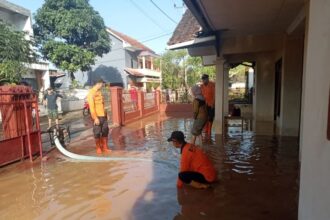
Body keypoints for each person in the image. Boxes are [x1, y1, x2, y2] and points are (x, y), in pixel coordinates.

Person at [87, 79, 111, 154]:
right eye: (102, 84)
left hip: (103, 115)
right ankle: (98, 148)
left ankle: (105, 147)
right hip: (97, 116)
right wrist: (95, 118)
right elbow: (91, 107)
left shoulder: (100, 92)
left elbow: (103, 104)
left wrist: (106, 114)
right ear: (98, 84)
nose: (102, 85)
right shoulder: (91, 93)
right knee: (97, 132)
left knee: (105, 131)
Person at [200, 74, 215, 139]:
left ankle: (209, 131)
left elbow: (215, 95)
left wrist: (213, 104)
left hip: (211, 104)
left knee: (210, 117)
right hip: (204, 104)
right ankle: (206, 130)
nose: (204, 80)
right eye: (203, 79)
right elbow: (201, 95)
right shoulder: (201, 86)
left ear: (208, 78)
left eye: (205, 79)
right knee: (205, 117)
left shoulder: (212, 85)